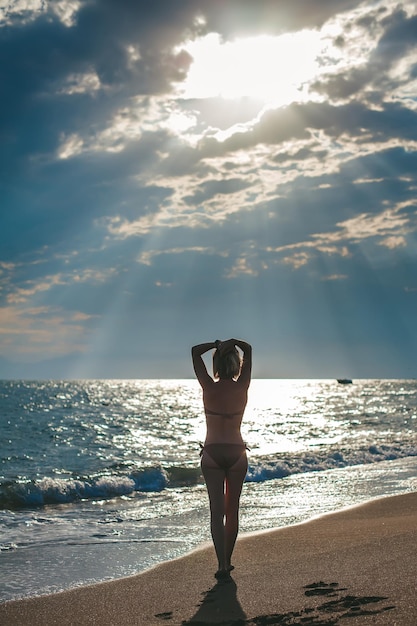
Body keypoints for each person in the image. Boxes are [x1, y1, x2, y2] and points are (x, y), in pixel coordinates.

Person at [191, 338, 252, 579]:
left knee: (217, 513)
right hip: (237, 452)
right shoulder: (243, 386)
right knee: (232, 511)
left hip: (212, 452)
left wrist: (216, 344)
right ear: (237, 364)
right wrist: (234, 342)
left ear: (216, 363)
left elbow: (195, 352)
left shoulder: (208, 386)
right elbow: (248, 349)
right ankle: (228, 559)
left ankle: (221, 566)